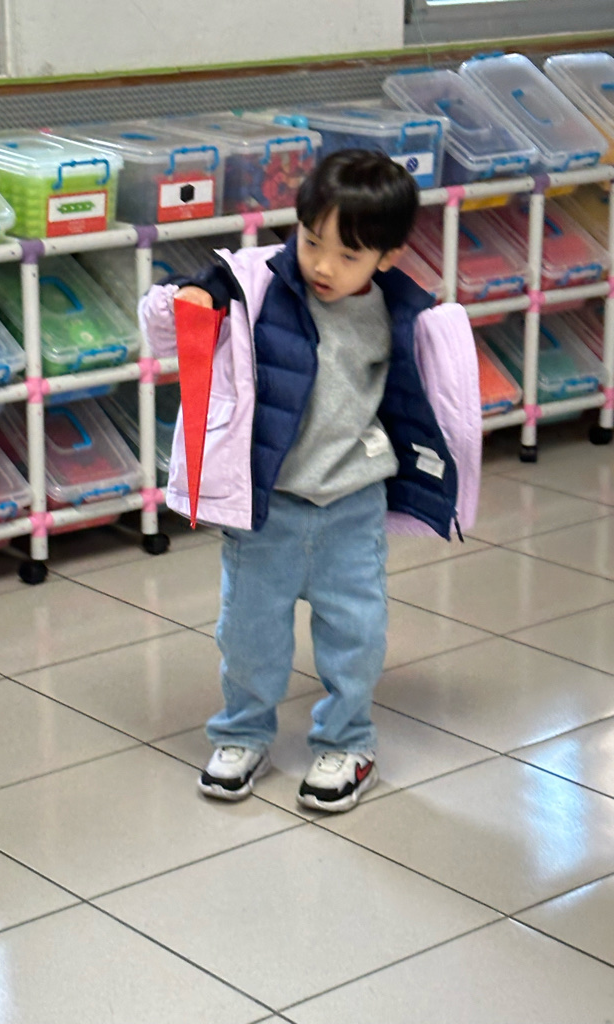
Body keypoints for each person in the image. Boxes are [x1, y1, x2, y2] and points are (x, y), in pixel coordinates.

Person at [140, 149, 460, 813]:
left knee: (355, 635)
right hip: (269, 507)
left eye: (348, 255)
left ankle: (347, 742)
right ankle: (241, 733)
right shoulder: (259, 284)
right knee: (249, 635)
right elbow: (200, 295)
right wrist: (193, 298)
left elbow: (422, 403)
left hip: (353, 506)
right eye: (312, 241)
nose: (322, 265)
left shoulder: (401, 312)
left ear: (388, 257)